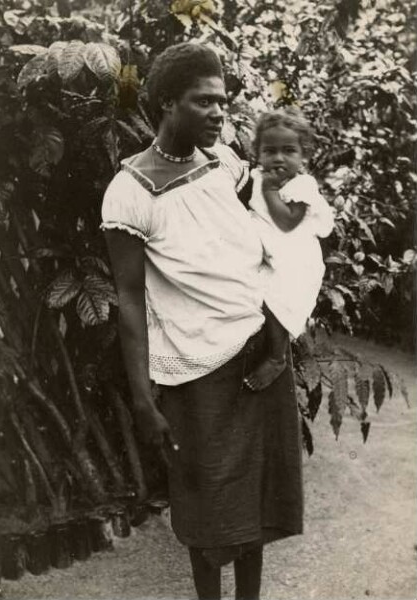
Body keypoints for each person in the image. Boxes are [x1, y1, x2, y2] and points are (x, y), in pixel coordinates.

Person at [101, 42, 303, 600]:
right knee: (209, 511)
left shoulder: (224, 162)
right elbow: (130, 299)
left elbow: (250, 248)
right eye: (203, 102)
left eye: (223, 101)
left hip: (258, 354)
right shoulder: (130, 193)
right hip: (198, 369)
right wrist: (143, 399)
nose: (219, 112)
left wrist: (277, 344)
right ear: (168, 103)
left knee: (256, 503)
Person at [245, 107, 334, 392]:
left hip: (294, 256)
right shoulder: (255, 178)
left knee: (276, 298)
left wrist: (271, 191)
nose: (278, 158)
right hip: (265, 247)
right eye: (270, 150)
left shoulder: (302, 185)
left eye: (288, 151)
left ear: (302, 155)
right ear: (258, 152)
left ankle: (276, 356)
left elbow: (287, 222)